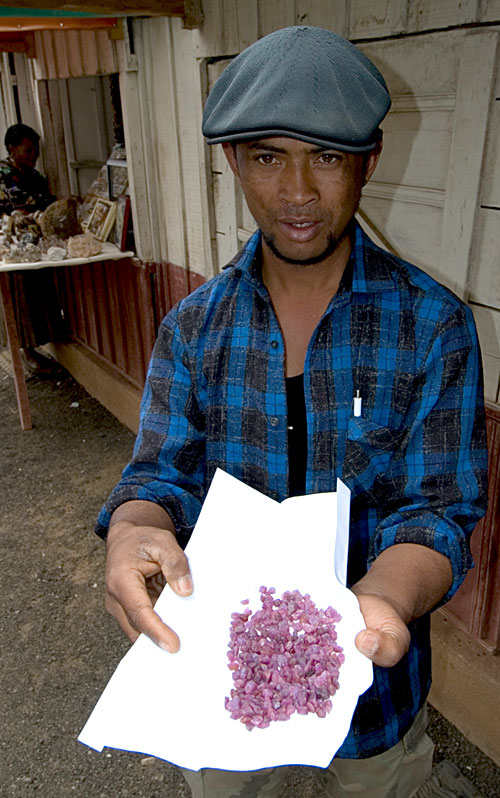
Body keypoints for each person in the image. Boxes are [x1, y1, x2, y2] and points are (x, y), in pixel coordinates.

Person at [97, 27, 488, 798]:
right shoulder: (193, 329)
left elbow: (439, 508)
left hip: (375, 696)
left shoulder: (431, 326)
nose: (299, 191)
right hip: (222, 688)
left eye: (329, 157)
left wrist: (384, 599)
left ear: (369, 160)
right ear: (233, 161)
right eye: (269, 157)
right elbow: (159, 476)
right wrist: (132, 529)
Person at [0, 123, 63, 373]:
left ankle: (40, 345)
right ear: (12, 149)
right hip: (12, 247)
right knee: (21, 295)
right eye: (27, 150)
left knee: (40, 293)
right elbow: (13, 209)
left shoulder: (35, 177)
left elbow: (46, 204)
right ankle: (27, 352)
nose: (34, 155)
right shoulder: (2, 175)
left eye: (35, 150)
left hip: (37, 244)